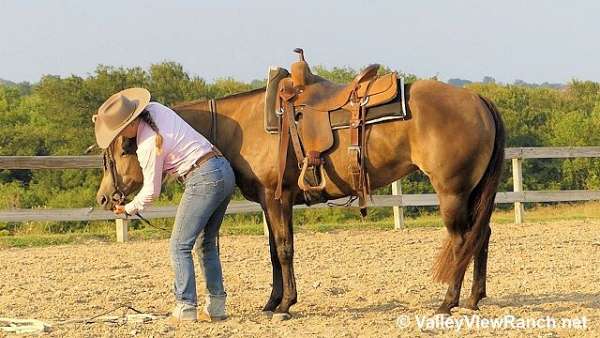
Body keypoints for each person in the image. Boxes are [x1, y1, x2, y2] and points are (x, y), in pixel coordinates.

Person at [93, 88, 235, 322]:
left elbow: (151, 191)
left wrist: (128, 208)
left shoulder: (147, 144)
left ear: (129, 126)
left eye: (119, 133)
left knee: (179, 246)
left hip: (202, 178)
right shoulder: (156, 110)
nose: (121, 138)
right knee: (206, 243)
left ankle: (186, 307)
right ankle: (216, 307)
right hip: (222, 168)